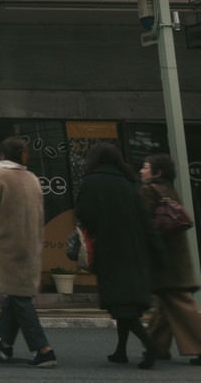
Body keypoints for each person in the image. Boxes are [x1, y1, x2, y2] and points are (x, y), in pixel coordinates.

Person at [0, 135, 58, 368]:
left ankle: (43, 349)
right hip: (31, 243)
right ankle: (5, 342)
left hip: (9, 244)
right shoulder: (31, 178)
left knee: (19, 298)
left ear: (2, 155)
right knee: (15, 293)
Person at [76, 142, 157, 368]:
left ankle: (150, 345)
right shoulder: (129, 183)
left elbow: (84, 213)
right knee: (125, 303)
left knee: (120, 305)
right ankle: (120, 350)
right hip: (134, 249)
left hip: (109, 249)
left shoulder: (91, 182)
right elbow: (145, 219)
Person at [140, 153, 201, 364]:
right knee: (166, 305)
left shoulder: (149, 191)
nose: (142, 171)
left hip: (166, 262)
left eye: (146, 167)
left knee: (181, 304)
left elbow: (144, 223)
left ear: (157, 172)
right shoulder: (170, 191)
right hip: (176, 259)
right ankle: (156, 346)